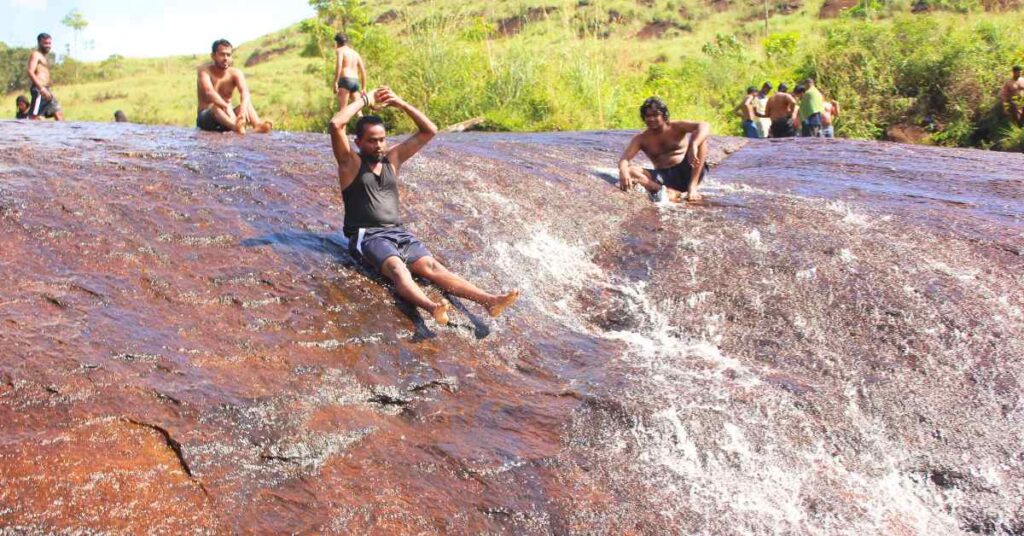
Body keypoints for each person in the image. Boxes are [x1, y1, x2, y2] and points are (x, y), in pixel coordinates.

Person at [328, 86, 519, 326]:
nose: (379, 145)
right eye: (372, 141)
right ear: (358, 142)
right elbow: (336, 125)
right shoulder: (350, 163)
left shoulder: (393, 159)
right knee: (398, 269)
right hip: (369, 235)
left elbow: (430, 130)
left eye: (382, 140)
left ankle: (489, 300)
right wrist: (366, 99)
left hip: (398, 232)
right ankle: (432, 307)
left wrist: (401, 103)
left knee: (431, 266)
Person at [618, 97, 711, 203]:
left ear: (664, 115)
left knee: (700, 138)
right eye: (648, 116)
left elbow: (704, 125)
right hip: (664, 178)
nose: (652, 119)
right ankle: (666, 191)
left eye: (655, 115)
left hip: (689, 170)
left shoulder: (676, 126)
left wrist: (694, 145)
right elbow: (624, 159)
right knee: (631, 171)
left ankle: (692, 187)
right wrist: (624, 172)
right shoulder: (641, 139)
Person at [196, 39, 272, 134]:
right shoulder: (204, 71)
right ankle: (236, 127)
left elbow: (245, 92)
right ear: (213, 56)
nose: (225, 58)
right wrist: (226, 106)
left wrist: (242, 111)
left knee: (245, 104)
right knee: (216, 107)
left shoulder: (235, 73)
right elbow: (209, 92)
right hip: (207, 117)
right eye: (222, 54)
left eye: (228, 55)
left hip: (227, 117)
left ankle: (257, 125)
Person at [26, 33, 63, 121]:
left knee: (58, 113)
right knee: (34, 117)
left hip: (46, 89)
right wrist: (41, 88)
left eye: (49, 43)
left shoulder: (44, 57)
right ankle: (25, 134)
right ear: (39, 43)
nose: (48, 46)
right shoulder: (35, 54)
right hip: (39, 89)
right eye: (45, 43)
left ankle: (63, 134)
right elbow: (30, 71)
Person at [333, 33, 367, 113]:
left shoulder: (340, 51)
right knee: (358, 111)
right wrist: (364, 87)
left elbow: (339, 65)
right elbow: (363, 71)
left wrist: (335, 82)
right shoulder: (355, 53)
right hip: (355, 82)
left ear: (337, 43)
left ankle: (343, 126)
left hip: (345, 80)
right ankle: (362, 123)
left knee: (343, 111)